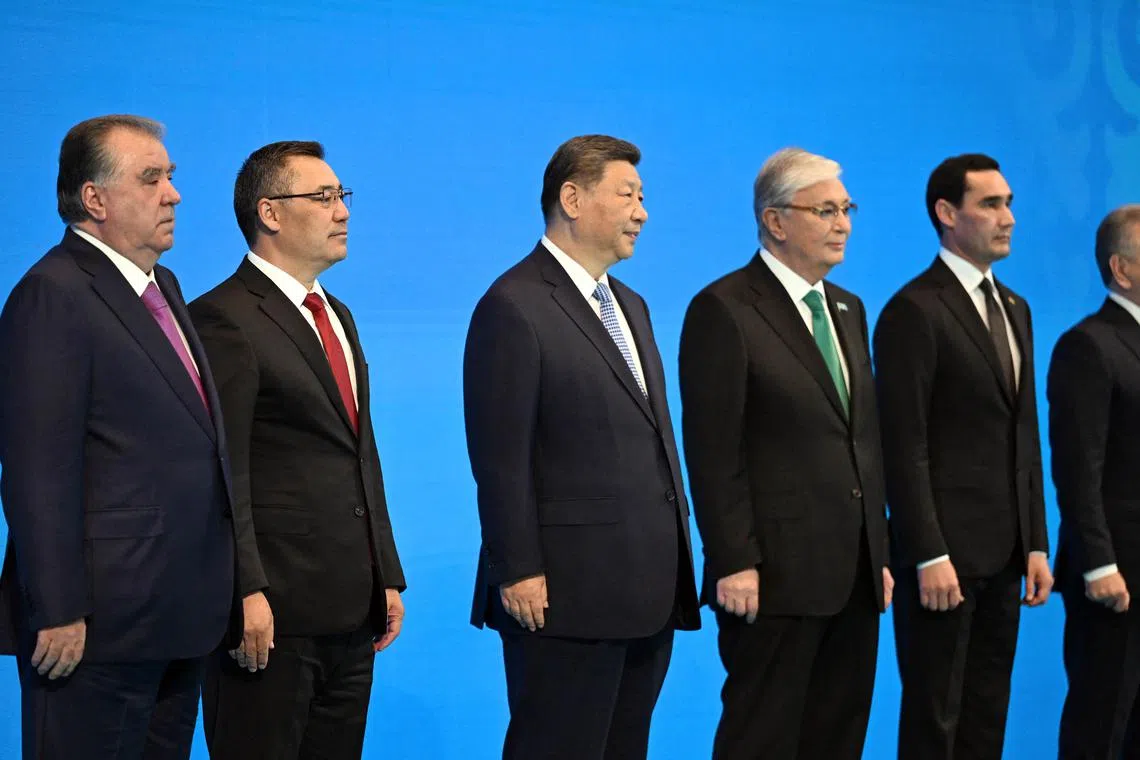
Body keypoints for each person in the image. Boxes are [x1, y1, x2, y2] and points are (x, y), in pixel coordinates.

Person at [0, 114, 239, 759]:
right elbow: (36, 467)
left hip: (177, 618)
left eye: (172, 177)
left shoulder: (162, 286)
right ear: (94, 199)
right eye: (152, 178)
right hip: (96, 626)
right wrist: (57, 605)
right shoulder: (53, 293)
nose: (174, 193)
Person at [462, 134, 700, 760]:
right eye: (627, 195)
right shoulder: (512, 304)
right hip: (563, 597)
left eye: (642, 197)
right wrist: (516, 568)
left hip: (647, 592)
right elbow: (499, 457)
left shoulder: (633, 305)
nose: (642, 213)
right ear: (572, 198)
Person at [189, 140, 407, 760]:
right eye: (322, 196)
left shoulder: (337, 314)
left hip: (349, 609)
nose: (342, 210)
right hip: (269, 617)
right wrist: (243, 590)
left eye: (342, 196)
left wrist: (383, 574)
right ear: (270, 213)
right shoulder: (223, 318)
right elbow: (221, 473)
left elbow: (359, 453)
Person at [679, 147, 891, 759]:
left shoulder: (848, 309)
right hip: (771, 577)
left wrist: (876, 548)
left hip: (852, 574)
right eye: (825, 210)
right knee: (764, 737)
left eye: (846, 209)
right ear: (775, 221)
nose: (843, 223)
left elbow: (861, 441)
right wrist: (734, 559)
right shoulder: (724, 309)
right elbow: (713, 451)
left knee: (839, 735)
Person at [873, 153, 1052, 759]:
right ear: (947, 214)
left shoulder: (1017, 308)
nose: (1008, 218)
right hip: (943, 561)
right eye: (991, 204)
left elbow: (1023, 434)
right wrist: (928, 550)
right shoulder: (913, 310)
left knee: (985, 715)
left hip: (1006, 557)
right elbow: (905, 443)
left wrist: (1036, 541)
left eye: (1009, 203)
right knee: (936, 718)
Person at [1049, 204, 1140, 758]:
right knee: (1102, 720)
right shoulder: (1089, 344)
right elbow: (1078, 467)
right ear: (1122, 269)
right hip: (1117, 579)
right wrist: (1100, 564)